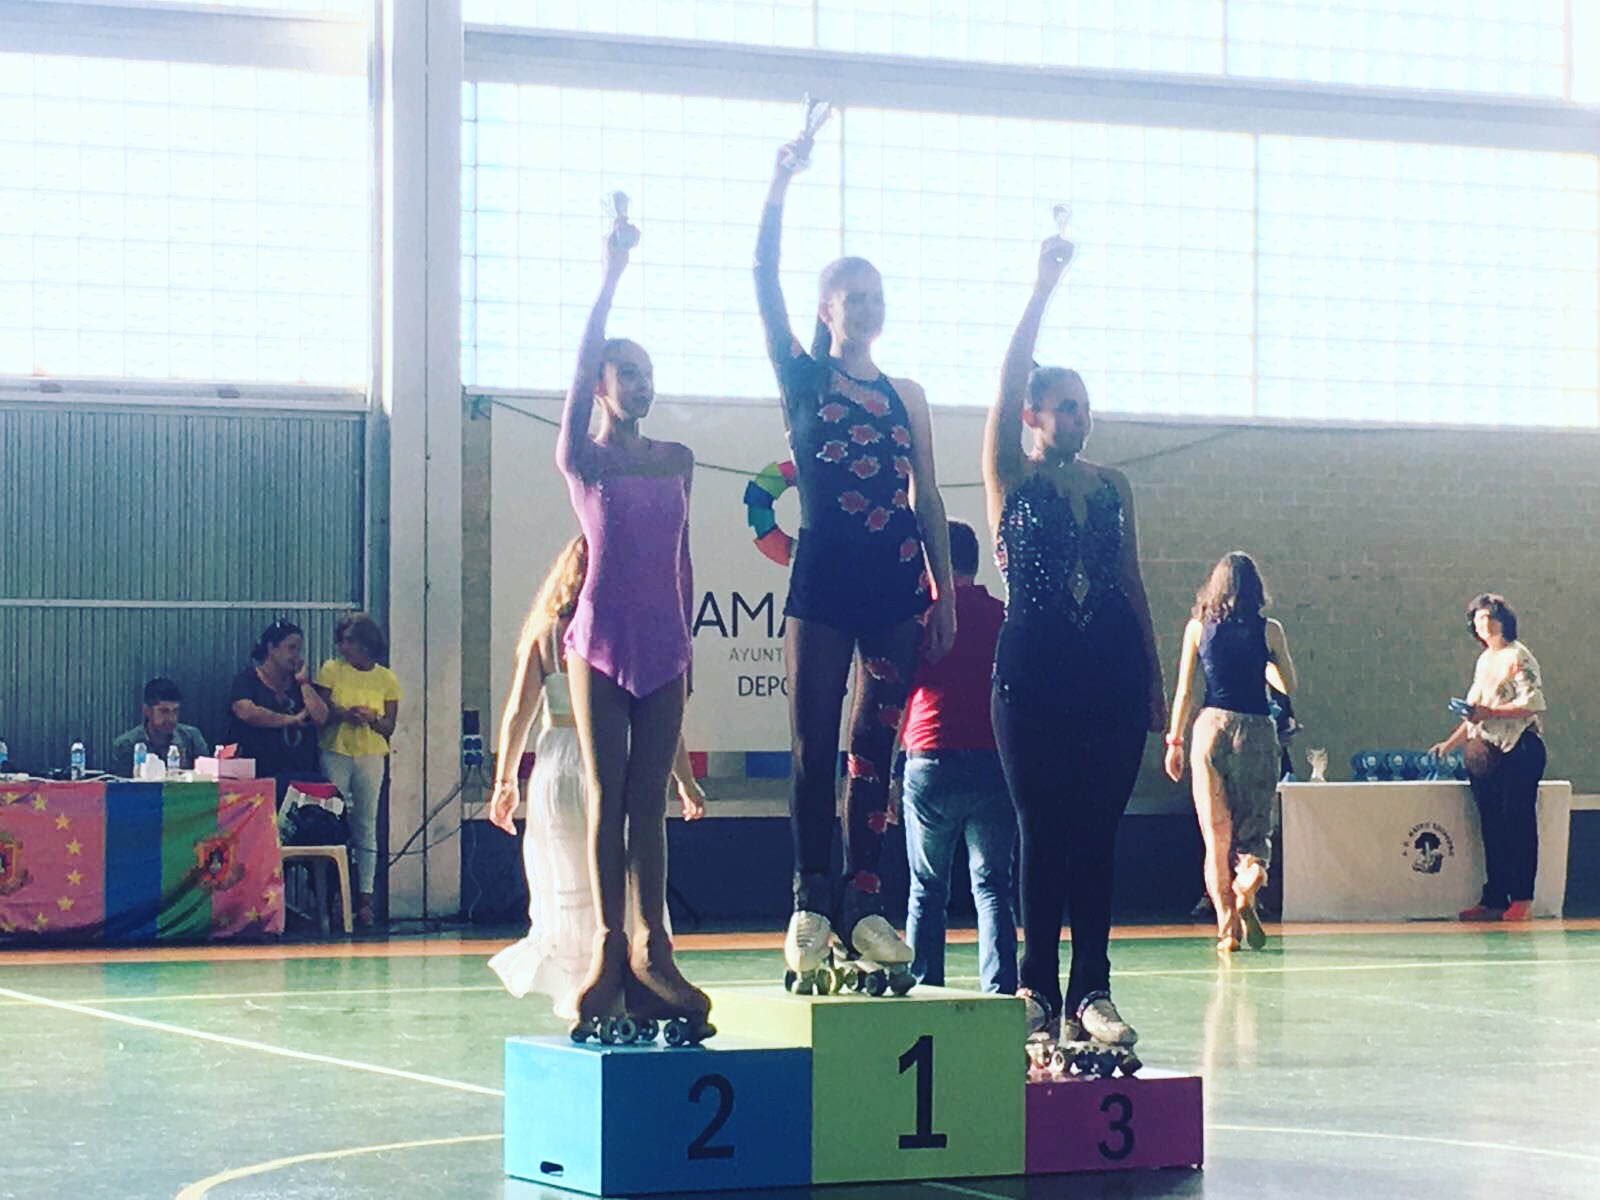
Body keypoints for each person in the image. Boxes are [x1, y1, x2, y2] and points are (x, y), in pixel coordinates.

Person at [756, 127, 957, 990]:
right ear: (827, 308)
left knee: (876, 746)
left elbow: (929, 496)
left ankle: (864, 901)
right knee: (813, 742)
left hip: (895, 585)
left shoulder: (905, 394)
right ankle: (810, 900)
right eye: (853, 297)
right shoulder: (802, 378)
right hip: (824, 580)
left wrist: (944, 594)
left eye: (877, 297)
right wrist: (779, 186)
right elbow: (761, 280)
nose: (867, 308)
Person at [981, 234, 1166, 1048]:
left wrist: (1155, 680)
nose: (1079, 418)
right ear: (1032, 415)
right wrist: (1041, 287)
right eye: (1064, 406)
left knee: (1097, 834)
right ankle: (1036, 987)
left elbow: (1130, 579)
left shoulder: (1114, 486)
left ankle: (1093, 988)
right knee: (1041, 831)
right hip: (1033, 677)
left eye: (1086, 407)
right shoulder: (1012, 476)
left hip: (1111, 676)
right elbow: (1004, 381)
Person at [554, 208, 711, 1041]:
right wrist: (609, 273)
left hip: (664, 647)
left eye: (648, 374)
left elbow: (682, 561)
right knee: (608, 794)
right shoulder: (585, 459)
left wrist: (686, 646)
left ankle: (655, 947)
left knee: (649, 802)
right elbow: (582, 361)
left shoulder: (676, 460)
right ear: (601, 385)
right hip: (599, 643)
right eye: (627, 373)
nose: (640, 385)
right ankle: (607, 946)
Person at [487, 536, 707, 1018]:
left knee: (567, 877)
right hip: (603, 756)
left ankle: (582, 984)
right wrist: (685, 781)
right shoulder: (627, 633)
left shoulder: (546, 633)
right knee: (621, 868)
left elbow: (518, 712)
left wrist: (505, 780)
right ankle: (631, 978)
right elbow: (663, 723)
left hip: (556, 767)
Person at [898, 518, 1016, 994]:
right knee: (993, 887)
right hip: (993, 762)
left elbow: (900, 693)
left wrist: (887, 776)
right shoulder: (1002, 616)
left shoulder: (923, 618)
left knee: (927, 888)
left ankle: (924, 991)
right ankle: (1001, 993)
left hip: (930, 756)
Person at [1163, 552, 1298, 952]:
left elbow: (1185, 690)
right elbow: (1288, 685)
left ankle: (1227, 930)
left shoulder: (1197, 628)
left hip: (1210, 727)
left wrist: (1174, 741)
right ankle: (1249, 877)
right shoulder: (1269, 630)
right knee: (1254, 829)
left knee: (1215, 838)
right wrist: (1265, 664)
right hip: (1255, 728)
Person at [1430, 593, 1548, 923]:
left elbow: (1533, 703)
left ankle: (1522, 897)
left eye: (1489, 617)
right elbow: (1476, 713)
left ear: (1503, 620)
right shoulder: (1484, 660)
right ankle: (1495, 896)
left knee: (1517, 821)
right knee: (1492, 825)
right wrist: (1450, 743)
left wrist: (1491, 712)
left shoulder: (1518, 655)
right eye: (1478, 619)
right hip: (1486, 750)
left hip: (1519, 748)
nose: (1484, 624)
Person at [314, 612, 401, 930]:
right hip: (335, 751)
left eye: (350, 641)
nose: (344, 647)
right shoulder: (331, 670)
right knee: (331, 821)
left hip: (370, 754)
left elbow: (389, 727)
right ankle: (331, 897)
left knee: (366, 823)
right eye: (342, 641)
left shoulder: (386, 679)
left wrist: (372, 719)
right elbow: (320, 713)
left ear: (366, 644)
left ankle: (365, 898)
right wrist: (344, 714)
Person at [227, 619, 329, 803]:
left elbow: (321, 717)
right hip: (259, 777)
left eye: (299, 649)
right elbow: (246, 711)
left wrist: (304, 683)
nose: (296, 655)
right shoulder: (247, 680)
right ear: (271, 648)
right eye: (291, 648)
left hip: (300, 777)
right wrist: (290, 720)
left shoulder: (299, 684)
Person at [109, 678, 209, 777]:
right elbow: (121, 784)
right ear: (147, 711)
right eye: (164, 711)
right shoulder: (126, 744)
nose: (172, 718)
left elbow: (206, 777)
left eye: (175, 711)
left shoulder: (191, 738)